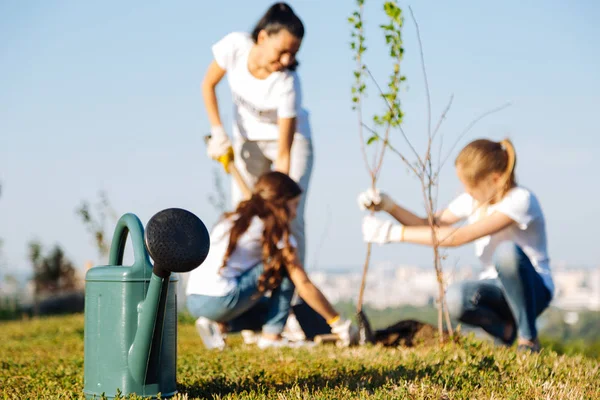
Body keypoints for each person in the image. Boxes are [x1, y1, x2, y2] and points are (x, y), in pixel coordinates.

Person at [357, 138, 554, 352]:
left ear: (495, 179)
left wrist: (392, 233)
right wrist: (389, 206)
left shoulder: (520, 200)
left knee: (506, 253)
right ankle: (505, 331)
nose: (465, 191)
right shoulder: (474, 200)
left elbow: (458, 236)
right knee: (455, 298)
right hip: (495, 290)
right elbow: (428, 224)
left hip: (534, 290)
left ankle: (528, 339)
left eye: (470, 186)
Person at [186, 171, 357, 349]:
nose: (295, 214)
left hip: (195, 300)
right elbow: (303, 283)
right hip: (221, 300)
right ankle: (271, 337)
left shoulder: (233, 220)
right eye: (294, 205)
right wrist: (338, 323)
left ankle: (218, 325)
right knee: (286, 267)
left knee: (270, 311)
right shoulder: (275, 231)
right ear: (280, 204)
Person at [202, 2, 313, 268]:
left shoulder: (288, 83)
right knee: (245, 209)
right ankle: (245, 279)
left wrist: (279, 200)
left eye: (293, 53)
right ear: (263, 37)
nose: (287, 60)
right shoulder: (235, 46)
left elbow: (284, 155)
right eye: (282, 51)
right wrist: (218, 131)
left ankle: (292, 291)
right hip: (248, 141)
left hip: (289, 144)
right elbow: (208, 84)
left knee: (289, 215)